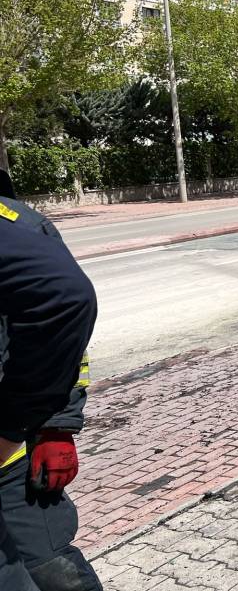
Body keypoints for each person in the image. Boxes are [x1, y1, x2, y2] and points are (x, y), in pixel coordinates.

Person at [0, 172, 101, 591]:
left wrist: (57, 425)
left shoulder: (21, 224)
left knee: (52, 569)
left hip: (12, 455)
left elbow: (65, 335)